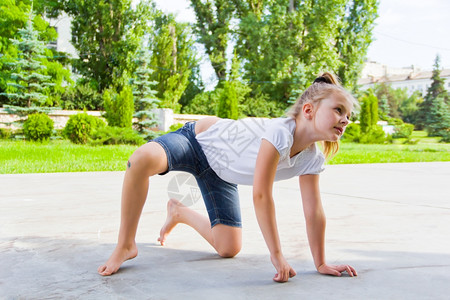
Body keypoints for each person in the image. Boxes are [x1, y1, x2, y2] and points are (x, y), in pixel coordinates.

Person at [98, 72, 358, 282]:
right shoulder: (281, 132)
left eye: (348, 115)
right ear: (309, 110)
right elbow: (261, 194)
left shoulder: (312, 158)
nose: (345, 119)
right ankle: (125, 245)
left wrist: (321, 262)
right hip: (196, 141)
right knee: (139, 160)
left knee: (228, 248)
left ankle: (178, 212)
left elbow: (313, 212)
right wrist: (277, 255)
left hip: (220, 174)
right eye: (338, 110)